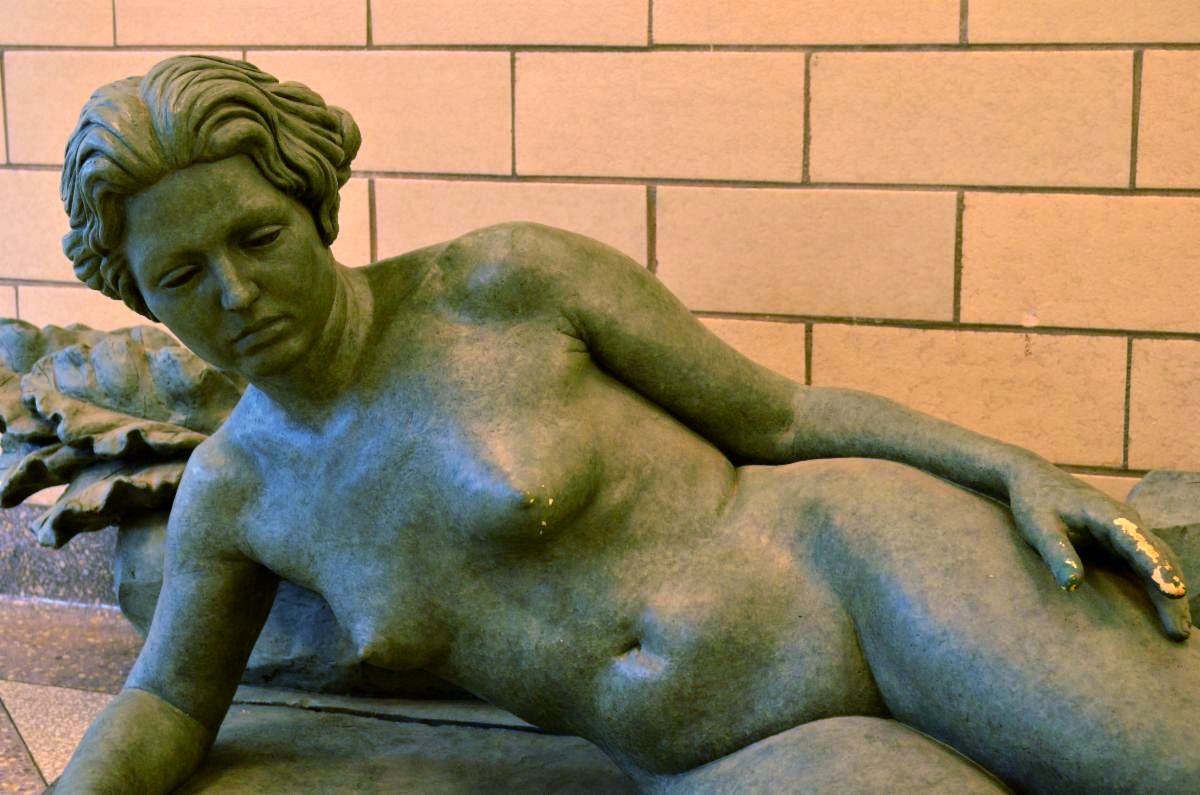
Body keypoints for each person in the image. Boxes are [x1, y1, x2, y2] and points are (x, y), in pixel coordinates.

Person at [53, 55, 1197, 793]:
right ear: (141, 299)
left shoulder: (501, 284)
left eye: (258, 238)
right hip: (724, 761)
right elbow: (167, 701)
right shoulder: (237, 494)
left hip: (867, 570)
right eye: (183, 276)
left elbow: (782, 415)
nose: (237, 294)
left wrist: (1014, 469)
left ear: (314, 207)